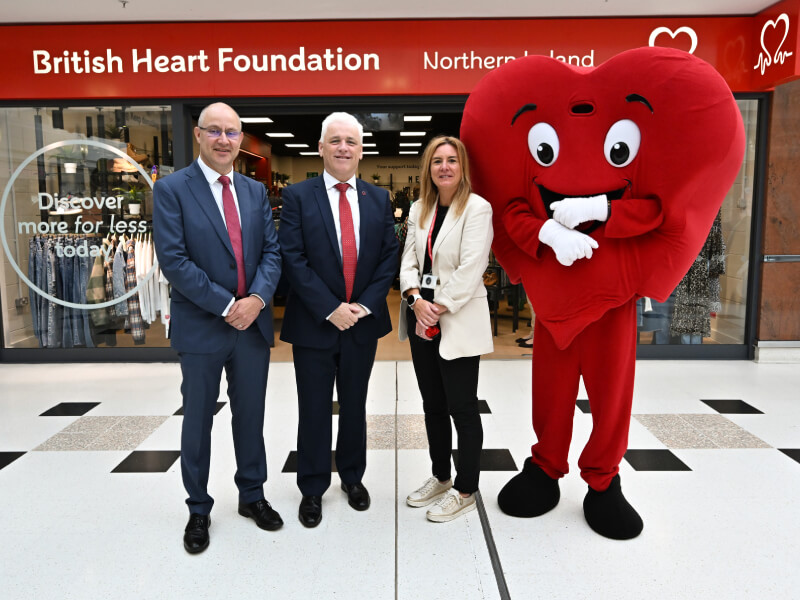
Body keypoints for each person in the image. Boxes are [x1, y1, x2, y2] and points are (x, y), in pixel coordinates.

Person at [153, 102, 282, 554]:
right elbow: (175, 261)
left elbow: (271, 253)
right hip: (202, 327)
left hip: (252, 328)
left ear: (241, 138)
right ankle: (198, 508)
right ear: (199, 136)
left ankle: (252, 496)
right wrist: (230, 305)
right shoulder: (171, 189)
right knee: (198, 420)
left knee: (251, 417)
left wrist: (257, 300)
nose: (224, 140)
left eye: (232, 132)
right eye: (215, 131)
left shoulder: (254, 191)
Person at [278, 112, 398, 527]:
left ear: (361, 150)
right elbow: (292, 259)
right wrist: (330, 308)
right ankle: (312, 487)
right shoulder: (297, 196)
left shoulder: (378, 199)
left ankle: (352, 478)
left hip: (362, 323)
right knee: (313, 408)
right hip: (314, 324)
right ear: (322, 148)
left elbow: (388, 258)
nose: (343, 147)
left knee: (355, 406)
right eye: (335, 140)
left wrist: (362, 306)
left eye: (351, 140)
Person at [398, 136, 493, 522]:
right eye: (437, 161)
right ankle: (440, 476)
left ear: (462, 166)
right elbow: (407, 262)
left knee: (463, 408)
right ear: (429, 168)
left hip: (457, 319)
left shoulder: (477, 208)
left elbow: (472, 267)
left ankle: (465, 488)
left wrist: (436, 307)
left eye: (452, 160)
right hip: (423, 320)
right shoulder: (419, 208)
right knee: (432, 406)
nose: (445, 167)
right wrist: (415, 301)